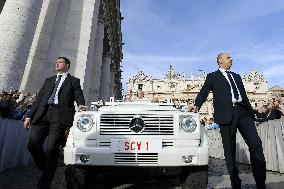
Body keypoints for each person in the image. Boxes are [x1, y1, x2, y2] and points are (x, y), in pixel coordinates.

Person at [191, 52, 266, 189]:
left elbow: (244, 96)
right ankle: (235, 183)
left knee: (256, 144)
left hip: (243, 112)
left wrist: (252, 112)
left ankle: (261, 183)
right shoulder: (213, 76)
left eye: (231, 57)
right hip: (226, 114)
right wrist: (197, 105)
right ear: (220, 61)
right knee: (230, 151)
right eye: (228, 57)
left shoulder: (236, 76)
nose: (231, 59)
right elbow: (203, 92)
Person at [24, 57, 85, 189]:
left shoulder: (73, 81)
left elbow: (78, 94)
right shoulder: (49, 80)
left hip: (60, 116)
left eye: (60, 62)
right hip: (43, 114)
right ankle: (46, 167)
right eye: (56, 62)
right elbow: (39, 98)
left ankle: (45, 182)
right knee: (33, 144)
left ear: (67, 65)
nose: (57, 63)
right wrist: (29, 116)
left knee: (52, 148)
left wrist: (81, 105)